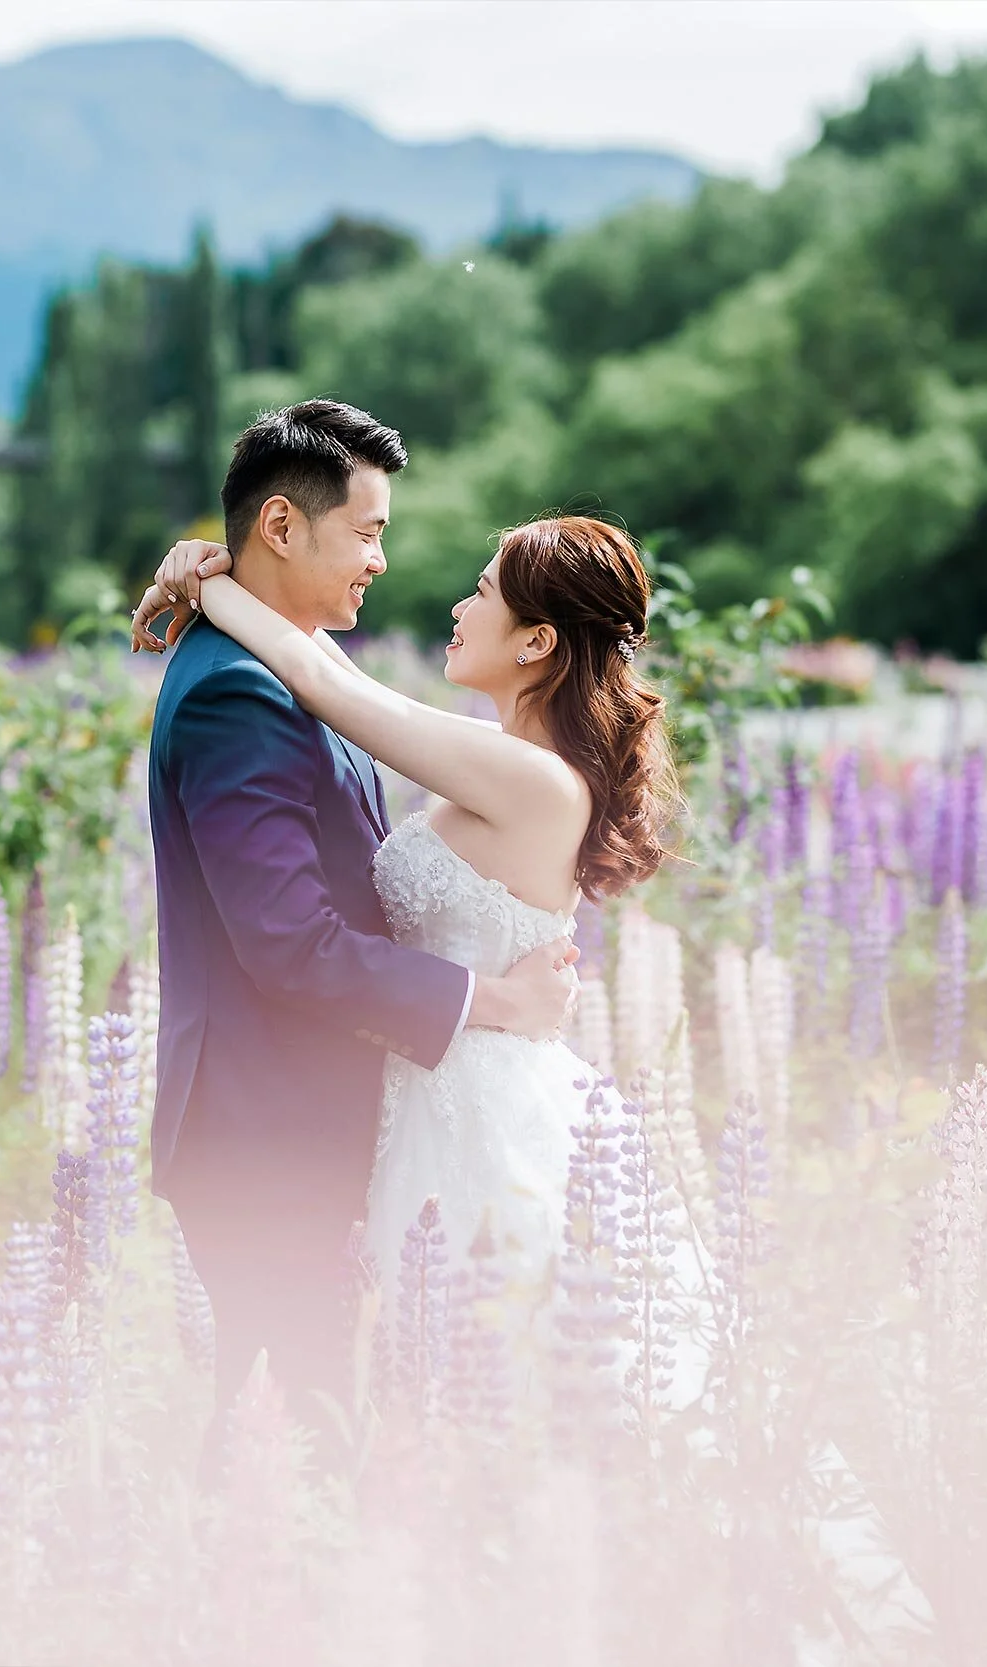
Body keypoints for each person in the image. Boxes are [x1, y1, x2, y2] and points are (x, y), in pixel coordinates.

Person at [133, 399, 582, 1456]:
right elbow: (289, 940)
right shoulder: (238, 693)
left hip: (353, 1127)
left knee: (340, 1436)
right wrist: (492, 999)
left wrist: (207, 578)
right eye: (368, 531)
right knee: (299, 1444)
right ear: (282, 526)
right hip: (268, 1136)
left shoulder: (283, 673)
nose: (383, 561)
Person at [137, 501, 682, 1319]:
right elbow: (336, 679)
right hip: (425, 1096)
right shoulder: (510, 762)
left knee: (478, 1356)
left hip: (475, 1111)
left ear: (536, 642)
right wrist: (210, 563)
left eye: (483, 592)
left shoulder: (534, 779)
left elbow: (324, 684)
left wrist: (212, 583)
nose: (459, 610)